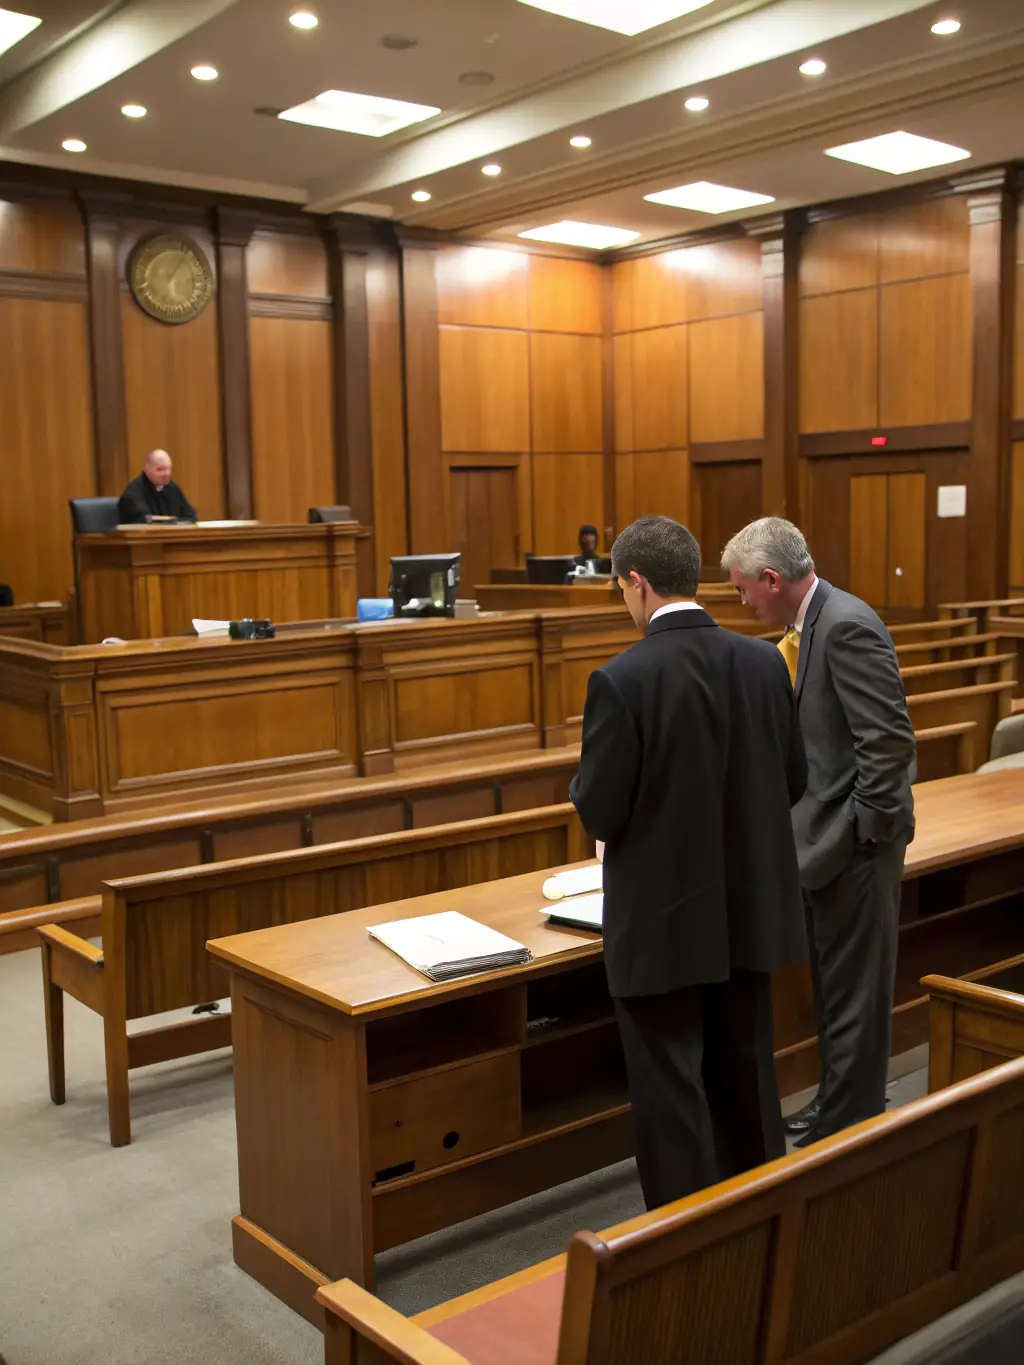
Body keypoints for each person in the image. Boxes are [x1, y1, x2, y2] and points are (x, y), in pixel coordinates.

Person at [570, 515, 807, 1210]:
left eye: (621, 590)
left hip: (663, 928)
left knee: (672, 1099)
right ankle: (763, 1224)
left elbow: (601, 811)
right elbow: (793, 779)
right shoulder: (764, 663)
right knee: (747, 1082)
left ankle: (686, 1248)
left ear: (637, 582)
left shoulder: (621, 680)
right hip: (749, 915)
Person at [721, 517, 916, 1148]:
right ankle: (837, 1102)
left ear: (771, 579)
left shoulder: (847, 624)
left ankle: (850, 1130)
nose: (742, 602)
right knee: (834, 994)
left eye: (743, 588)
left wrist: (861, 836)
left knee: (855, 998)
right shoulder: (808, 625)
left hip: (856, 849)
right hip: (825, 845)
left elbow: (888, 744)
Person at [117, 450, 196, 524]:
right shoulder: (133, 493)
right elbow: (144, 520)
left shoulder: (172, 488)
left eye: (169, 468)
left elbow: (190, 515)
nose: (166, 473)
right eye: (160, 469)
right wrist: (173, 520)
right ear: (147, 469)